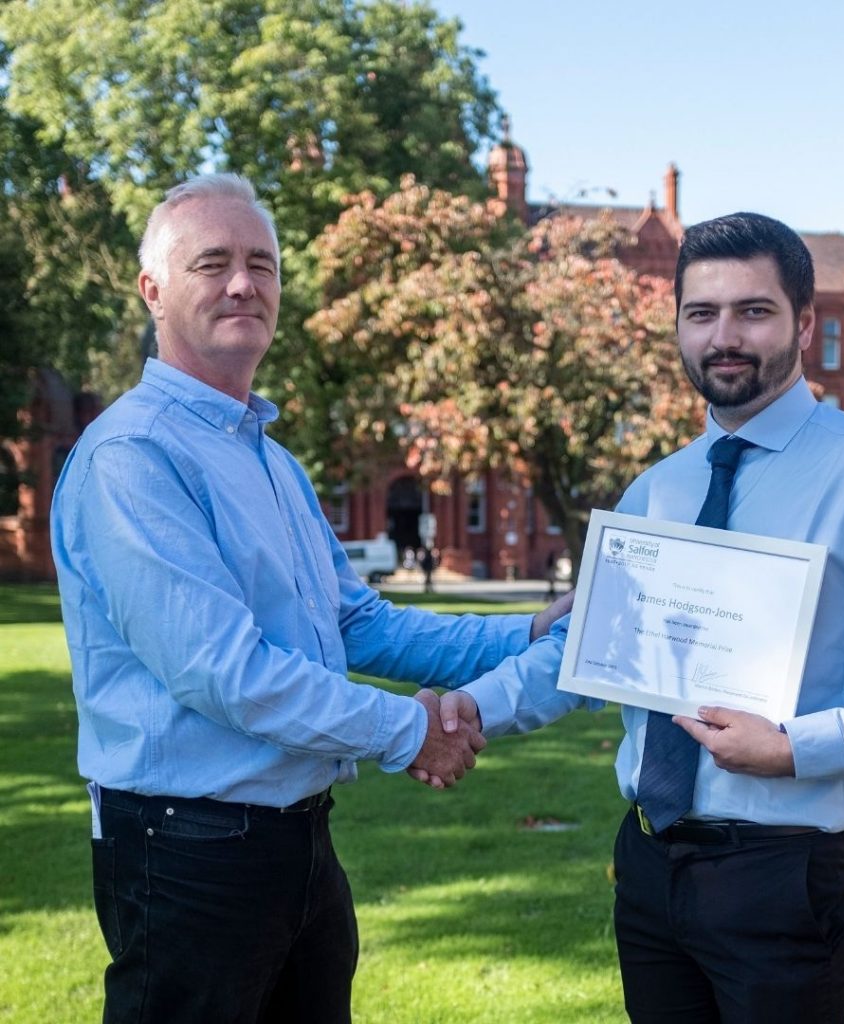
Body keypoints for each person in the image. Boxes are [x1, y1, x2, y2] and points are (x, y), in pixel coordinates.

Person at [50, 173, 570, 1024]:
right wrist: (411, 735)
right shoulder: (133, 457)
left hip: (298, 841)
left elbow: (355, 621)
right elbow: (224, 673)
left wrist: (525, 633)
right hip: (185, 851)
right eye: (211, 263)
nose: (242, 284)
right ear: (153, 290)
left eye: (262, 263)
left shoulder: (269, 457)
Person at [453, 212, 844, 1023]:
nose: (724, 337)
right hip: (648, 862)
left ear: (804, 323)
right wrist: (471, 713)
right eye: (701, 314)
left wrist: (799, 748)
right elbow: (592, 651)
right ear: (677, 325)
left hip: (783, 873)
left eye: (754, 311)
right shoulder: (658, 490)